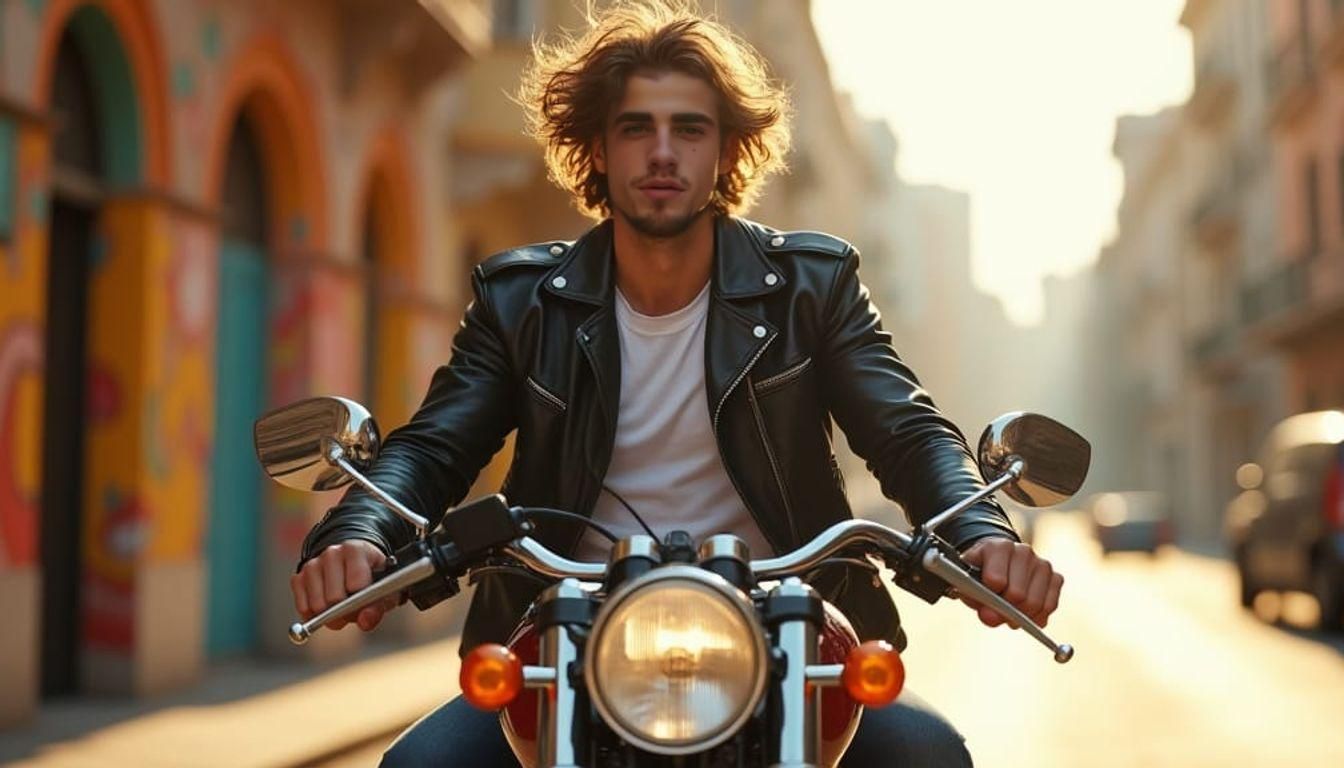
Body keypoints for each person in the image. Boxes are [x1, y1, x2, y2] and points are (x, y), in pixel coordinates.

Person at [289, 3, 1063, 766]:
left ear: (727, 153)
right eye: (636, 128)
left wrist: (982, 534)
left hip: (787, 626)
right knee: (420, 766)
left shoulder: (811, 286)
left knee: (928, 755)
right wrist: (360, 533)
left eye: (689, 129)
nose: (663, 153)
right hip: (567, 630)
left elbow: (906, 430)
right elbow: (433, 446)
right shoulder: (521, 302)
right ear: (596, 148)